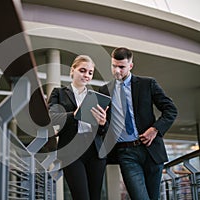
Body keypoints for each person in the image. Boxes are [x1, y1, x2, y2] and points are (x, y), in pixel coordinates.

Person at [99, 47, 177, 200]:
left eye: (121, 67)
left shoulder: (147, 84)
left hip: (150, 150)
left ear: (130, 66)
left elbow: (171, 110)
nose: (117, 71)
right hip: (126, 154)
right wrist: (102, 124)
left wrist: (155, 129)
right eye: (114, 66)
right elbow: (105, 127)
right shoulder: (104, 90)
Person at [47, 55, 109, 200]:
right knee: (81, 196)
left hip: (95, 151)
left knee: (95, 197)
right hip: (71, 150)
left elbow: (104, 131)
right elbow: (51, 118)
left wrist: (102, 123)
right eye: (82, 70)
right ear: (72, 71)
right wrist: (74, 114)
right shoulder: (59, 93)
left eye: (90, 72)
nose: (86, 75)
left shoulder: (97, 97)